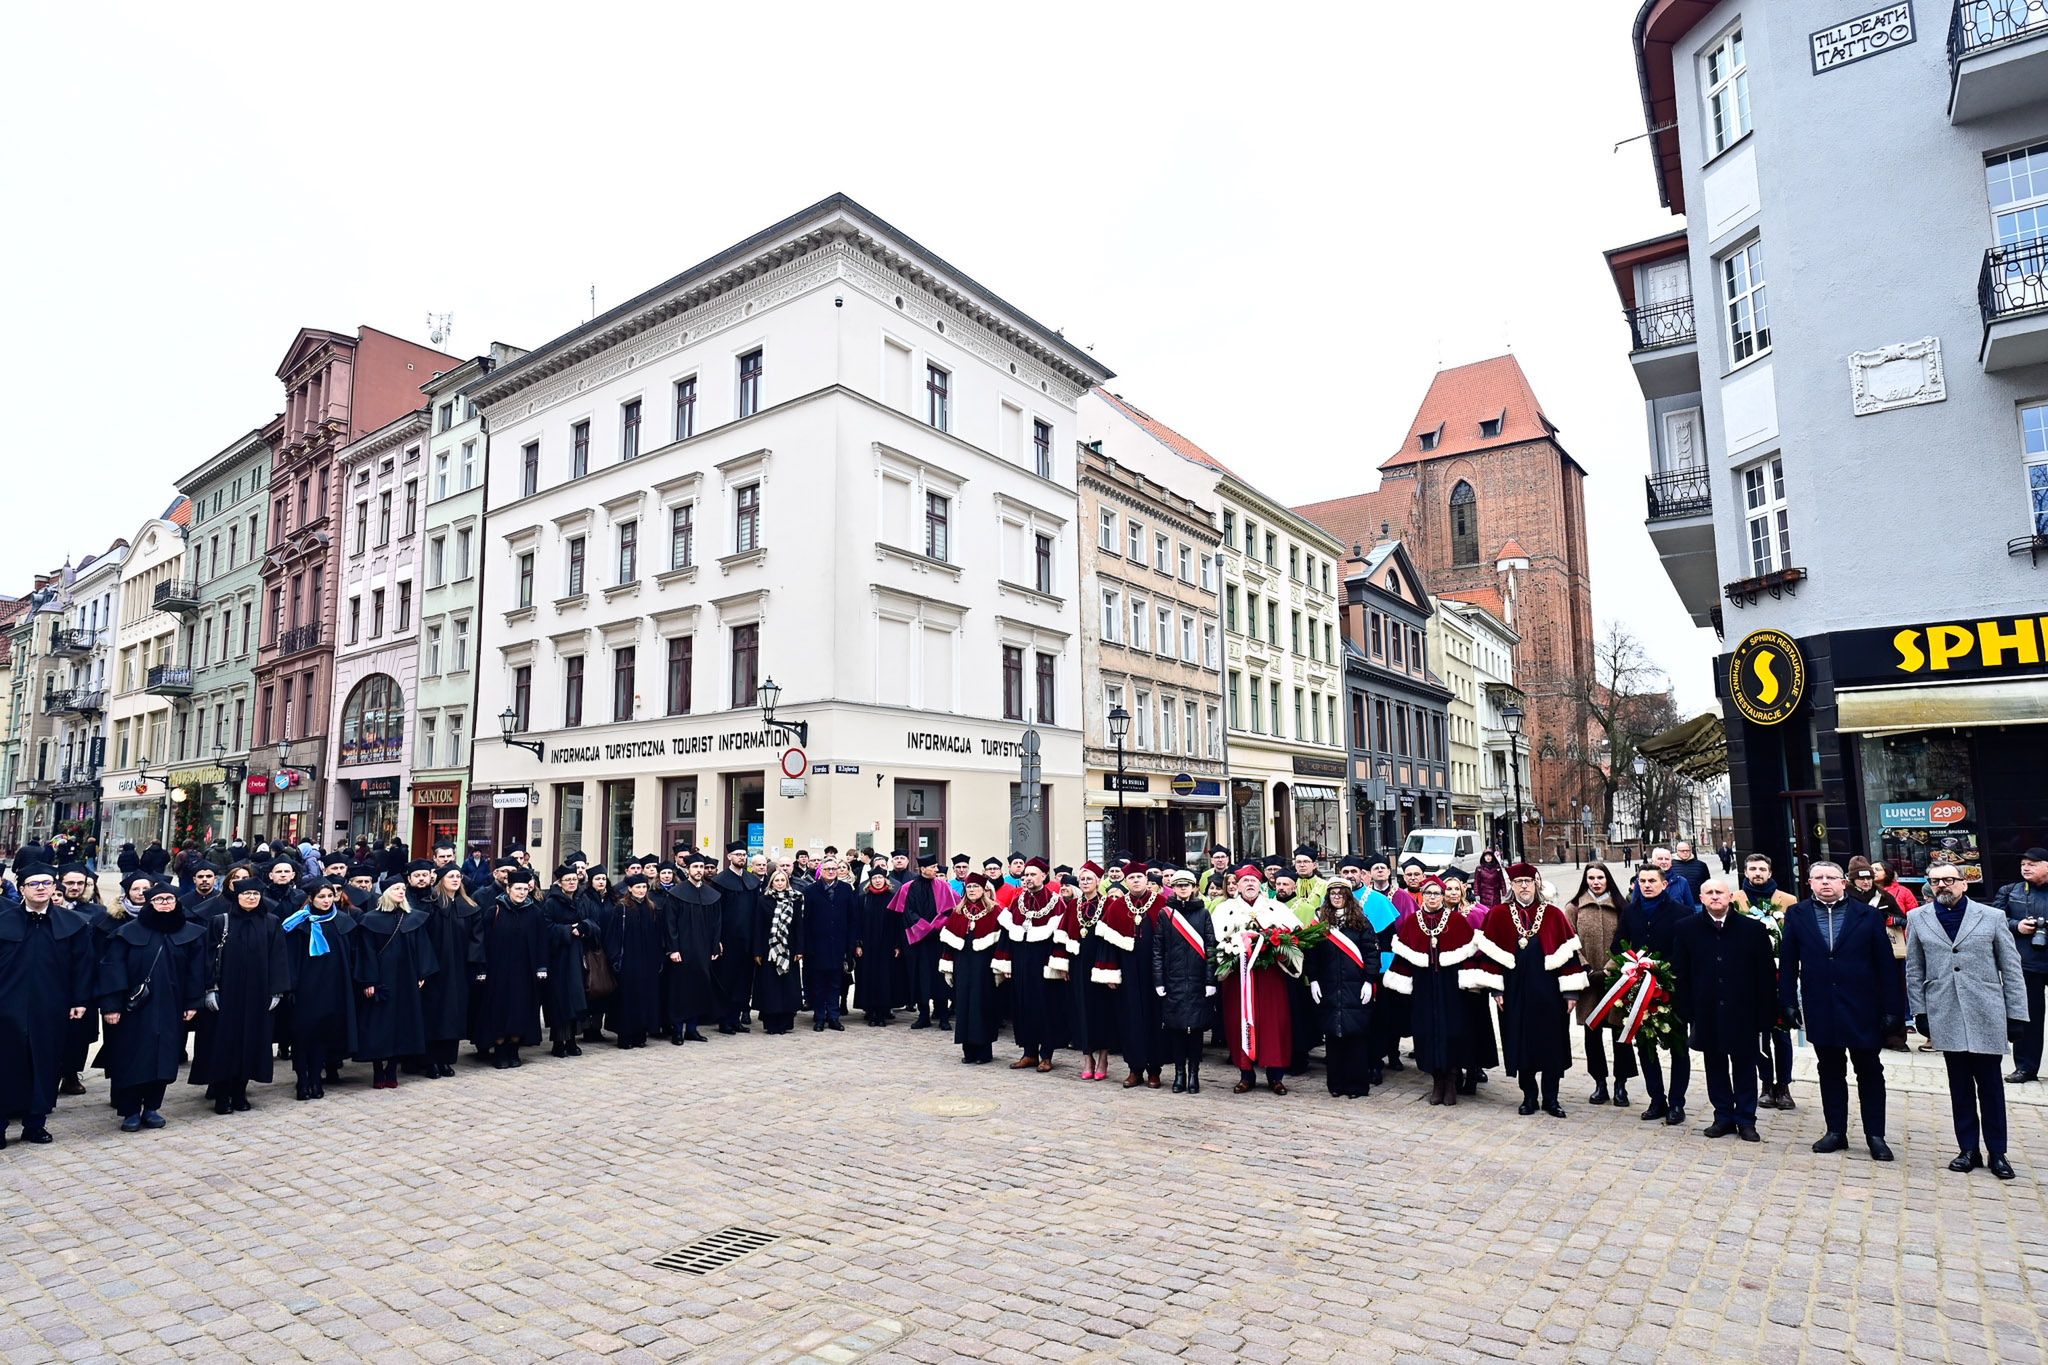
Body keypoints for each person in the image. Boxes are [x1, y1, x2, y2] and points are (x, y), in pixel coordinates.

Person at [1907, 860, 2030, 1180]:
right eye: (1935, 881)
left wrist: (2016, 1014)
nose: (1942, 886)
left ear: (1964, 883)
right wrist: (1919, 1011)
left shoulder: (1991, 917)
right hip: (1944, 1009)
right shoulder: (1918, 918)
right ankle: (1967, 1149)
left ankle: (1998, 1152)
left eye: (1949, 879)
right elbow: (1914, 970)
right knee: (1959, 1086)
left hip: (1986, 1010)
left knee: (1990, 1086)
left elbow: (2012, 968)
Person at [1780, 861, 1903, 1161]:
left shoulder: (1869, 915)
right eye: (1818, 877)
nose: (1825, 883)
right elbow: (1788, 962)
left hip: (1862, 1005)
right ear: (1809, 883)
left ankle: (1876, 1135)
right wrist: (1787, 1002)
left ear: (1843, 882)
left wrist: (1892, 1008)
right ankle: (1836, 1130)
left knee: (1869, 1070)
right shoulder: (1797, 915)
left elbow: (1886, 965)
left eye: (1831, 878)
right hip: (1821, 1003)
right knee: (1830, 1069)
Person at [1475, 862, 1588, 1117]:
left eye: (1528, 881)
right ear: (1511, 886)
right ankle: (1528, 1096)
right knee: (1519, 1042)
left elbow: (1570, 955)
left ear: (1537, 883)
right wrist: (1496, 989)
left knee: (1551, 1044)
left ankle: (1551, 1098)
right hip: (1514, 992)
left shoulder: (1554, 914)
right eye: (1518, 882)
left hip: (1548, 993)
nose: (1523, 886)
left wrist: (1570, 992)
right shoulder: (1498, 914)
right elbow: (1488, 957)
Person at [1668, 879, 1777, 1141]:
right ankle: (1723, 1115)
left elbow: (1765, 975)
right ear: (1701, 898)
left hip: (1743, 1010)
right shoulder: (1686, 929)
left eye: (1720, 892)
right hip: (1706, 1010)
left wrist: (1766, 1013)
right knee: (1714, 1065)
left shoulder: (1753, 929)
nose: (1715, 897)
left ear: (1730, 897)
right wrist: (1686, 1009)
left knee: (1744, 1066)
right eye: (1709, 893)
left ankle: (1746, 1119)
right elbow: (1680, 973)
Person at [0, 866, 94, 1147]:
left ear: (54, 887)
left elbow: (83, 966)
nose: (40, 888)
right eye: (33, 883)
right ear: (23, 888)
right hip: (6, 1006)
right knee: (5, 1064)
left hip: (51, 1007)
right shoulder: (3, 921)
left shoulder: (73, 924)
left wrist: (80, 1000)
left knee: (45, 1064)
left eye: (46, 883)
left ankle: (35, 1123)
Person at [190, 877, 291, 1116]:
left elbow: (278, 958)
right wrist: (210, 989)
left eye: (256, 895)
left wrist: (276, 990)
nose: (251, 898)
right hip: (227, 995)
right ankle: (222, 1094)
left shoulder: (271, 923)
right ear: (237, 897)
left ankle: (240, 1091)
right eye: (247, 895)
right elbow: (208, 958)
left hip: (257, 996)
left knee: (252, 1044)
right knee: (225, 1043)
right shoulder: (220, 922)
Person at [1383, 875, 1479, 1105]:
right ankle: (1436, 1081)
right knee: (1427, 1032)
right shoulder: (1413, 922)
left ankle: (1451, 1080)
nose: (1432, 898)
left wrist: (1471, 981)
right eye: (1428, 893)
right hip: (1424, 986)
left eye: (1436, 893)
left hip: (1450, 987)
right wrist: (1399, 982)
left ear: (1443, 896)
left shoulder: (1456, 921)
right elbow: (1403, 957)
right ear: (1422, 896)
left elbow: (1469, 954)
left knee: (1451, 1031)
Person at [1616, 863, 1693, 1127]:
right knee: (1646, 1047)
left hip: (1672, 989)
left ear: (1664, 884)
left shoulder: (1681, 913)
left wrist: (1660, 968)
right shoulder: (1629, 912)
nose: (1647, 885)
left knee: (1678, 1047)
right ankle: (1656, 1098)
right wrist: (1633, 963)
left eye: (1652, 880)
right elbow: (1619, 945)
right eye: (1642, 881)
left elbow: (1685, 952)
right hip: (1639, 990)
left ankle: (1677, 1102)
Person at [279, 879, 367, 1101]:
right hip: (305, 988)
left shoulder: (343, 922)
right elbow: (288, 959)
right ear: (311, 899)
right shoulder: (297, 924)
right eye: (321, 897)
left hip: (333, 987)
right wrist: (290, 987)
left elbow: (352, 956)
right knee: (302, 1036)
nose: (327, 901)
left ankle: (316, 1079)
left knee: (322, 1035)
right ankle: (302, 1080)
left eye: (330, 896)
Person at [1214, 866, 1298, 1096]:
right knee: (1239, 1021)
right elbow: (1215, 940)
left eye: (1253, 881)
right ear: (1236, 885)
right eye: (1245, 881)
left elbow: (1293, 935)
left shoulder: (1275, 907)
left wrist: (1274, 944)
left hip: (1270, 975)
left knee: (1274, 1022)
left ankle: (1276, 1076)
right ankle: (1246, 1074)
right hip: (1238, 977)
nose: (1249, 884)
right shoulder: (1225, 909)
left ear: (1260, 885)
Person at [1566, 863, 1636, 1107]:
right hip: (1588, 981)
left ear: (1608, 879)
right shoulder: (1574, 907)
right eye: (1591, 878)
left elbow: (1628, 941)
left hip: (1615, 980)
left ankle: (1621, 1084)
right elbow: (1568, 940)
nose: (1596, 882)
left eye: (1600, 877)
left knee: (1620, 1033)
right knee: (1592, 1034)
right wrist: (1584, 965)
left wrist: (1611, 967)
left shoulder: (1621, 907)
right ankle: (1600, 1084)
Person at [1734, 852, 1799, 1110]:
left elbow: (1794, 938)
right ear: (1745, 872)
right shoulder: (1736, 900)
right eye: (1752, 869)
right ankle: (1765, 1084)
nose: (1757, 873)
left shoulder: (1788, 901)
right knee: (1758, 1034)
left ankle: (1783, 1086)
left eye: (1762, 869)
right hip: (1749, 979)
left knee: (1781, 1034)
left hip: (1779, 976)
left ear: (1770, 872)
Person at [1308, 881, 1380, 1099]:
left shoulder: (1361, 922)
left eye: (1341, 893)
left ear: (1348, 896)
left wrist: (1369, 980)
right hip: (1330, 987)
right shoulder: (1320, 922)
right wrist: (1313, 980)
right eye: (1332, 893)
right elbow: (1312, 954)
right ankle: (1336, 1084)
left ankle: (1356, 1085)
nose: (1336, 897)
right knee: (1333, 1037)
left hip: (1355, 987)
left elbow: (1371, 953)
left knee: (1355, 1037)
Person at [1057, 862, 1129, 1082]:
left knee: (1102, 1012)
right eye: (1082, 879)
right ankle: (1087, 1058)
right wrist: (1063, 964)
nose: (1085, 882)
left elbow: (1115, 936)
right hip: (1078, 965)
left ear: (1099, 881)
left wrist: (1111, 969)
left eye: (1089, 879)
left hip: (1101, 965)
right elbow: (1062, 935)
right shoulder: (1073, 906)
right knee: (1081, 1011)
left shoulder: (1109, 904)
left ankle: (1103, 1058)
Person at [472, 867, 546, 1069]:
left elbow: (541, 942)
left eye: (525, 889)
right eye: (517, 889)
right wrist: (482, 969)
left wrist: (542, 966)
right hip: (498, 973)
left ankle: (513, 1050)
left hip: (524, 973)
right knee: (498, 1011)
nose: (522, 893)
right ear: (508, 888)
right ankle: (500, 1051)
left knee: (520, 1010)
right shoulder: (494, 911)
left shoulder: (535, 913)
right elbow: (482, 942)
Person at [1153, 869, 1217, 1094]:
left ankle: (1194, 1074)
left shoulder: (1204, 914)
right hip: (1174, 981)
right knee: (1177, 1030)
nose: (1182, 888)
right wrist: (1159, 980)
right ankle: (1179, 1074)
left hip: (1198, 982)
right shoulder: (1165, 914)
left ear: (1194, 888)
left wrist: (1211, 980)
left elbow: (1211, 948)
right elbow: (1158, 950)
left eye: (1186, 885)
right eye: (1178, 885)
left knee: (1196, 1031)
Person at [418, 866, 481, 1078]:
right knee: (435, 1015)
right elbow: (423, 938)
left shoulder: (469, 906)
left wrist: (474, 964)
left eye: (458, 876)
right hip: (436, 970)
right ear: (441, 880)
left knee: (454, 1014)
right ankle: (431, 1061)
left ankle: (447, 1060)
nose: (455, 880)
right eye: (450, 876)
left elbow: (476, 939)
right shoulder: (432, 905)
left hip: (460, 970)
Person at [1994, 847, 2048, 1083]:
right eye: (2024, 864)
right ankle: (2025, 1068)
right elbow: (1992, 920)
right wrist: (2016, 925)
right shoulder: (2010, 891)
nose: (2026, 867)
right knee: (2028, 1018)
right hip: (2026, 963)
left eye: (2033, 864)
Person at [938, 874, 1004, 1064]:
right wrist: (948, 966)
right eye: (969, 887)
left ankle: (983, 1050)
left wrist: (999, 966)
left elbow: (1001, 944)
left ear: (983, 889)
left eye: (976, 887)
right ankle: (968, 1050)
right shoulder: (958, 912)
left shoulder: (995, 911)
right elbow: (948, 944)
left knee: (982, 1005)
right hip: (963, 965)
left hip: (984, 967)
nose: (972, 890)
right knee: (964, 1005)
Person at [1442, 871, 1497, 1095]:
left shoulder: (1474, 914)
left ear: (1464, 890)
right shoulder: (1439, 915)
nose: (1453, 893)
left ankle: (1474, 1072)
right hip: (1448, 977)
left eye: (1456, 889)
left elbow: (1484, 944)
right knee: (1454, 1026)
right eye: (1449, 889)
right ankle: (1454, 1071)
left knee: (1474, 1024)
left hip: (1471, 978)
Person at [1848, 856, 1911, 1052]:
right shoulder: (1845, 897)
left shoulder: (1884, 896)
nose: (1866, 882)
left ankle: (1895, 1037)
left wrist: (1892, 920)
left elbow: (1902, 918)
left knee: (1893, 992)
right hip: (1856, 953)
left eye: (1869, 878)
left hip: (1887, 951)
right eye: (1861, 879)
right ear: (1852, 880)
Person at [1112, 862, 1167, 1089]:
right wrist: (1109, 973)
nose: (1135, 881)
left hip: (1155, 972)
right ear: (1126, 882)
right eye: (1131, 878)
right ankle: (1135, 1069)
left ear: (1147, 880)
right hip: (1128, 973)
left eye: (1139, 877)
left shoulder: (1162, 904)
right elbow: (1108, 943)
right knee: (1131, 1019)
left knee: (1155, 1020)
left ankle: (1155, 1070)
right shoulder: (1116, 907)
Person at [661, 855, 723, 1043]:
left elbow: (717, 924)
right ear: (687, 869)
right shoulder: (677, 893)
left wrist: (715, 946)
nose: (698, 870)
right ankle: (677, 1029)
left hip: (703, 949)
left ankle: (693, 1029)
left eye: (701, 867)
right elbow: (670, 924)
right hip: (683, 949)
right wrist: (673, 949)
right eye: (695, 866)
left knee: (699, 988)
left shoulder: (711, 894)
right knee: (681, 990)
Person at [539, 864, 598, 1059]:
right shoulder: (551, 902)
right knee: (559, 999)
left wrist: (583, 927)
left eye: (574, 879)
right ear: (559, 883)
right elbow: (546, 928)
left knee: (577, 997)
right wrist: (567, 930)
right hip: (559, 958)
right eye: (567, 880)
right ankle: (558, 1042)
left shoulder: (584, 899)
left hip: (579, 955)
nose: (572, 883)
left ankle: (572, 1040)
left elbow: (594, 922)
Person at [894, 854, 957, 1030]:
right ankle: (923, 1016)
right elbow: (907, 913)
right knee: (919, 978)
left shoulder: (943, 886)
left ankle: (943, 1017)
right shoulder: (908, 888)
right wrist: (924, 928)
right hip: (918, 942)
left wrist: (934, 927)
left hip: (938, 941)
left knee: (940, 978)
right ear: (923, 869)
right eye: (934, 867)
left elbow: (949, 911)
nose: (937, 870)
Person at [711, 842, 760, 1034]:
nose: (742, 857)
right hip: (727, 941)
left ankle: (736, 1018)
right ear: (729, 857)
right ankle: (724, 1020)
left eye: (744, 854)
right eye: (738, 854)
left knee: (744, 981)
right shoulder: (719, 881)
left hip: (748, 940)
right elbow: (716, 913)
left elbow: (757, 912)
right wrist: (717, 940)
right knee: (727, 981)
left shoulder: (752, 881)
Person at [802, 856, 855, 1032]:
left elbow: (852, 919)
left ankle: (834, 1017)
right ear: (821, 871)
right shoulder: (810, 891)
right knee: (818, 984)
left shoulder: (846, 890)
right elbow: (806, 921)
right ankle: (819, 1017)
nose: (831, 871)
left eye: (834, 869)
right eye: (827, 869)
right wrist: (807, 946)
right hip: (817, 946)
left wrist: (851, 945)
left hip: (839, 945)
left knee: (835, 983)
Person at [752, 868, 807, 1036]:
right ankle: (771, 1024)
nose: (780, 883)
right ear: (772, 883)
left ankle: (785, 1022)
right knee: (771, 987)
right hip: (769, 950)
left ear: (787, 882)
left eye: (783, 880)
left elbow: (799, 926)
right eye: (777, 880)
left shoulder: (795, 900)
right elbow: (758, 927)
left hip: (789, 949)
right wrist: (757, 951)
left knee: (787, 987)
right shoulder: (764, 900)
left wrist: (799, 949)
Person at [852, 865, 903, 1026]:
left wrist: (897, 945)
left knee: (885, 978)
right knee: (869, 977)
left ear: (885, 879)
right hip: (868, 946)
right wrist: (858, 944)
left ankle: (883, 1012)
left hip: (887, 945)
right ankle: (871, 1012)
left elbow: (897, 923)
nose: (878, 880)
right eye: (875, 878)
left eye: (880, 878)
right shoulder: (863, 898)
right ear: (870, 880)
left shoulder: (893, 897)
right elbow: (857, 922)